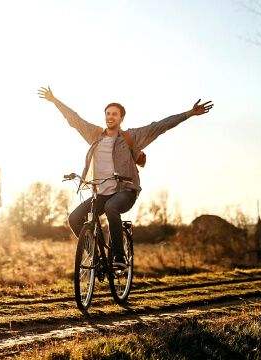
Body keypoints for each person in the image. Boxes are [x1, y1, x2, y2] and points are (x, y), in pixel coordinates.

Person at [38, 86, 213, 268]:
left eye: (114, 114)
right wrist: (55, 100)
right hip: (101, 192)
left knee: (111, 207)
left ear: (121, 118)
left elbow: (160, 126)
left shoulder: (132, 136)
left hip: (125, 191)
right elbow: (74, 119)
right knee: (74, 218)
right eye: (108, 114)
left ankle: (119, 257)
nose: (110, 117)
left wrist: (190, 113)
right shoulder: (95, 135)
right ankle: (95, 255)